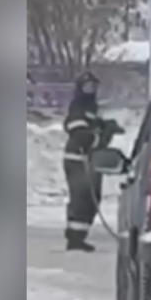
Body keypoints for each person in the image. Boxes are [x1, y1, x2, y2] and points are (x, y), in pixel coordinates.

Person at [62, 71, 106, 252]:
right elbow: (79, 134)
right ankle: (74, 238)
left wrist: (106, 129)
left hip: (91, 160)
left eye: (93, 86)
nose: (91, 90)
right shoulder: (78, 106)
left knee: (92, 197)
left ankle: (79, 235)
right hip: (77, 159)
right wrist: (98, 137)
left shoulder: (93, 108)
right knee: (81, 198)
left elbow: (96, 131)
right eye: (88, 86)